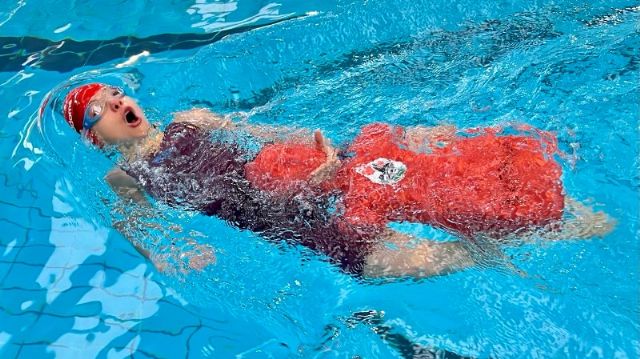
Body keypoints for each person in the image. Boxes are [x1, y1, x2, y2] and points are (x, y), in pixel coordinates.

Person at [61, 82, 615, 278]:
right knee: (383, 266)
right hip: (276, 222)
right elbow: (136, 224)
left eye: (117, 94)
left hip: (308, 180)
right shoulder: (123, 175)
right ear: (97, 137)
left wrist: (318, 148)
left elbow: (266, 132)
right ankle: (550, 234)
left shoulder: (194, 121)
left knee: (420, 184)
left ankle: (532, 209)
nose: (118, 103)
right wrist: (172, 253)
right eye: (103, 110)